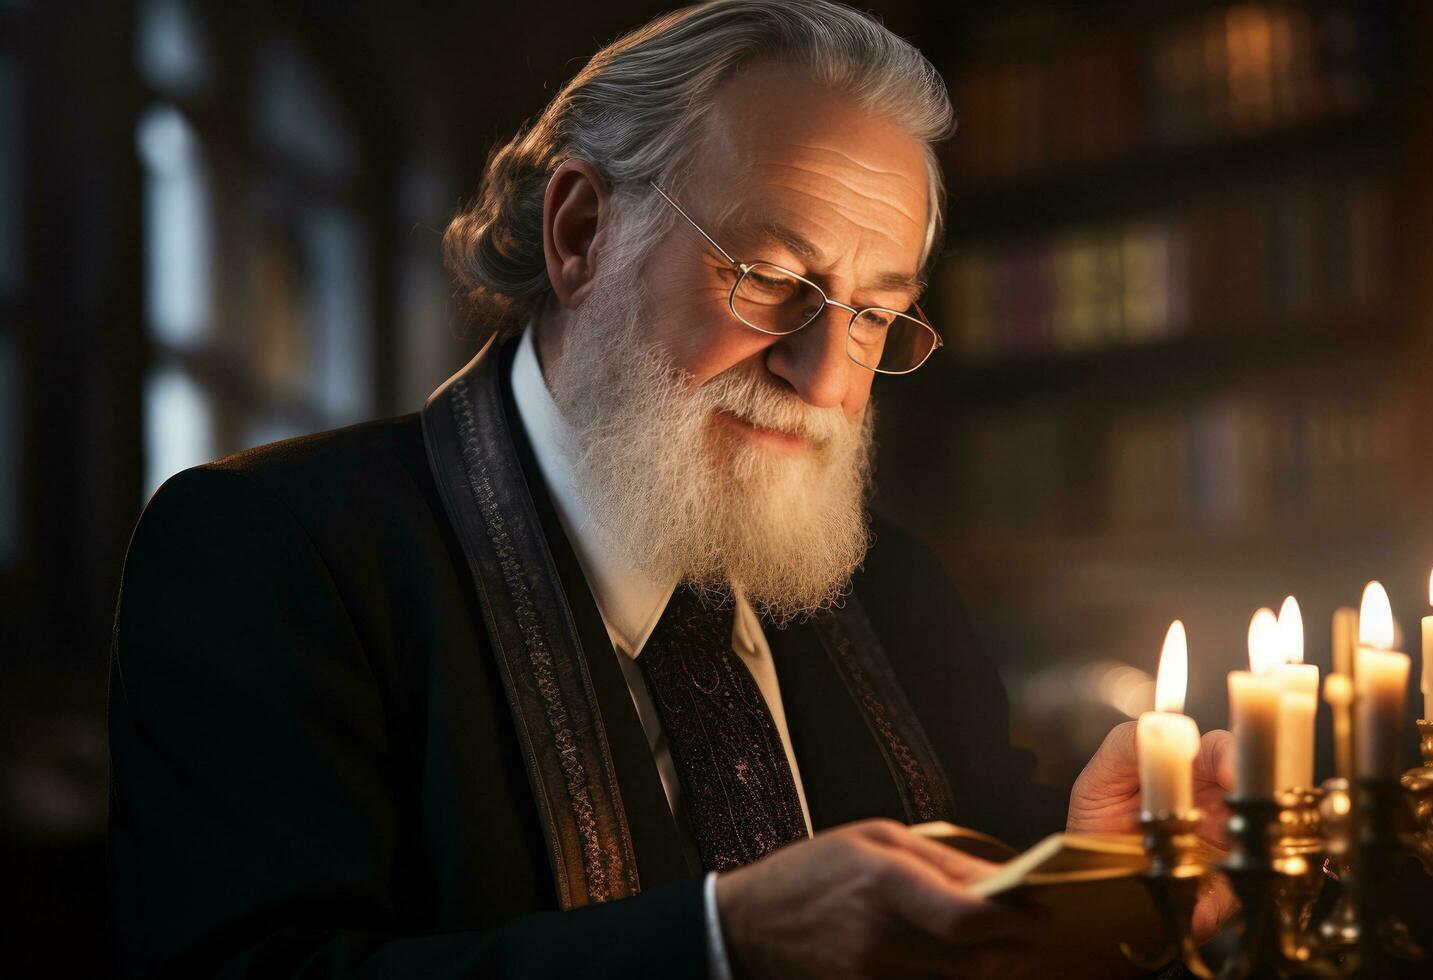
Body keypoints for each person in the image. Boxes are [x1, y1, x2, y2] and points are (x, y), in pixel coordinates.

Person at [108, 2, 1237, 976]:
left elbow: (986, 902)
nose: (826, 376)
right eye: (770, 279)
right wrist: (719, 947)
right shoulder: (271, 550)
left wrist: (1099, 866)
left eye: (876, 313)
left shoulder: (894, 584)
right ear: (580, 230)